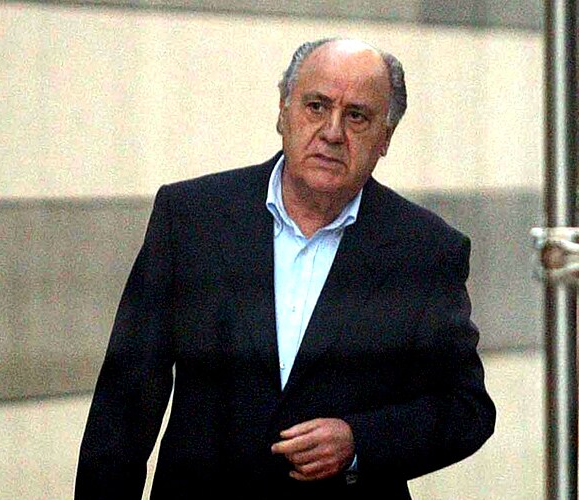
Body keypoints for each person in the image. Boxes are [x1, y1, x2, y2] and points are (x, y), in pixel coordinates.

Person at [75, 37, 496, 499]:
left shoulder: (426, 250)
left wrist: (359, 441)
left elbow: (466, 409)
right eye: (317, 106)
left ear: (386, 138)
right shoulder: (192, 218)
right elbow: (124, 403)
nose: (332, 132)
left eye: (356, 116)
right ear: (283, 111)